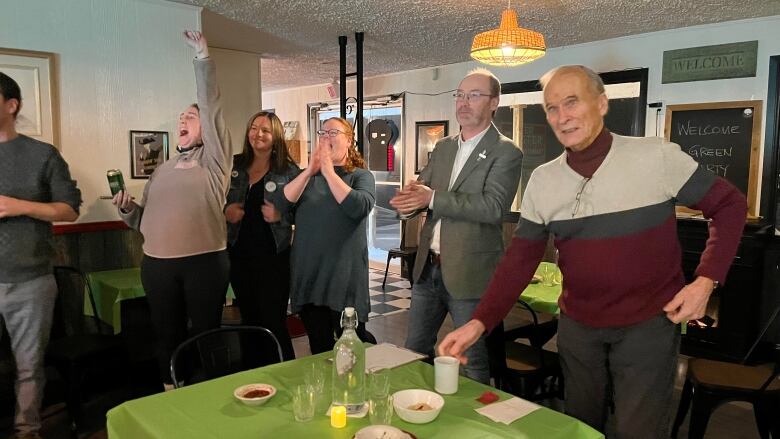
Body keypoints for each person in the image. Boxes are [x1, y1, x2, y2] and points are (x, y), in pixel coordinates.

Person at [438, 65, 747, 438]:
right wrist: (478, 322)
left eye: (572, 102)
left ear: (601, 104)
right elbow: (519, 261)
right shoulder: (544, 180)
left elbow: (730, 205)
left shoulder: (656, 157)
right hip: (579, 330)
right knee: (580, 428)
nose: (561, 116)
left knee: (640, 430)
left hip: (648, 328)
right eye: (552, 108)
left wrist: (705, 281)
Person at [113, 31, 232, 389]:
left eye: (191, 117)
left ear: (205, 129)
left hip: (204, 263)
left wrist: (202, 57)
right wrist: (127, 209)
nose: (184, 120)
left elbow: (210, 105)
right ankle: (171, 392)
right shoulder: (162, 168)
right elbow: (142, 222)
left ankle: (212, 394)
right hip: (157, 265)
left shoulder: (214, 160)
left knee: (207, 333)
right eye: (181, 117)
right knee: (165, 334)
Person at [389, 68, 522, 384]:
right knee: (415, 350)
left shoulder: (506, 151)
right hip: (427, 270)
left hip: (471, 273)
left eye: (474, 95)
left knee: (473, 361)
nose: (464, 103)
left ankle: (474, 427)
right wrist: (407, 205)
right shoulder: (444, 147)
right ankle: (417, 407)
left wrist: (431, 198)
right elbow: (422, 193)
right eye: (460, 95)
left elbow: (492, 208)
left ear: (494, 102)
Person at [0, 71, 81, 439]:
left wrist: (19, 205)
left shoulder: (42, 154)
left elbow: (69, 210)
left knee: (29, 367)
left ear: (11, 105)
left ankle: (26, 432)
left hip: (30, 279)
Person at [281, 117, 376, 354]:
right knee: (320, 350)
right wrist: (309, 172)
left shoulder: (360, 176)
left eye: (333, 132)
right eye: (322, 133)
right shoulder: (308, 177)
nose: (326, 138)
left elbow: (359, 207)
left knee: (350, 352)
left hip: (343, 281)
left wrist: (329, 172)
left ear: (349, 140)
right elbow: (282, 207)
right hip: (311, 278)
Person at [225, 110, 299, 363]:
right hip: (239, 255)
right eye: (254, 128)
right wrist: (226, 210)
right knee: (249, 319)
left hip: (273, 258)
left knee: (273, 321)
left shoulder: (289, 171)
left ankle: (284, 375)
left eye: (265, 130)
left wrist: (281, 217)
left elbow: (303, 213)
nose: (258, 134)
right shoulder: (234, 165)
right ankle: (252, 380)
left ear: (276, 136)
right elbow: (213, 197)